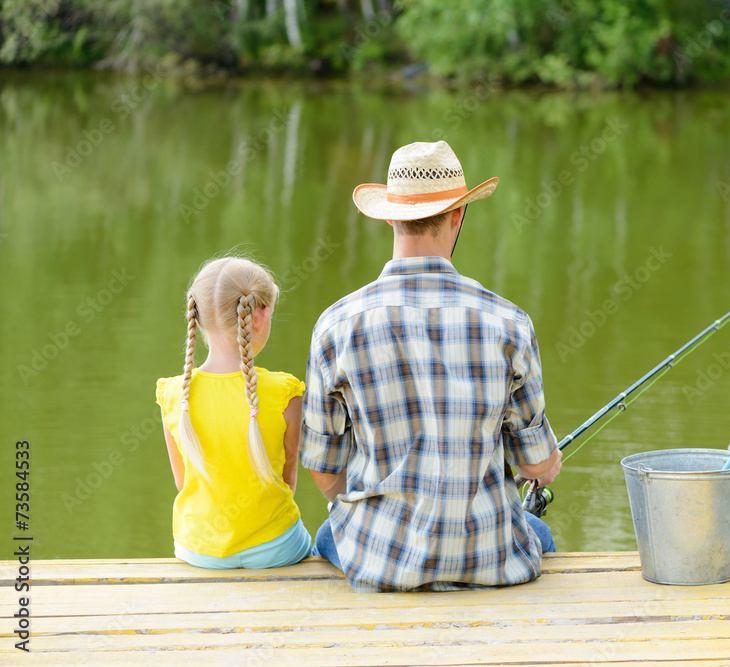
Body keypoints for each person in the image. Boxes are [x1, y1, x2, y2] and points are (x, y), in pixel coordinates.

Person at [302, 141, 562, 593]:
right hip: (489, 559)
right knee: (539, 535)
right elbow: (535, 464)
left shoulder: (336, 325)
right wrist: (548, 463)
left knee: (329, 533)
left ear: (390, 216)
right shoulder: (509, 322)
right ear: (457, 215)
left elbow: (323, 472)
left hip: (382, 563)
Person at [156, 256, 311, 569]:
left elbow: (182, 481)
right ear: (259, 317)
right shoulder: (285, 393)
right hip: (276, 548)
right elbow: (288, 479)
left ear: (196, 317)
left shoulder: (174, 395)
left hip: (198, 550)